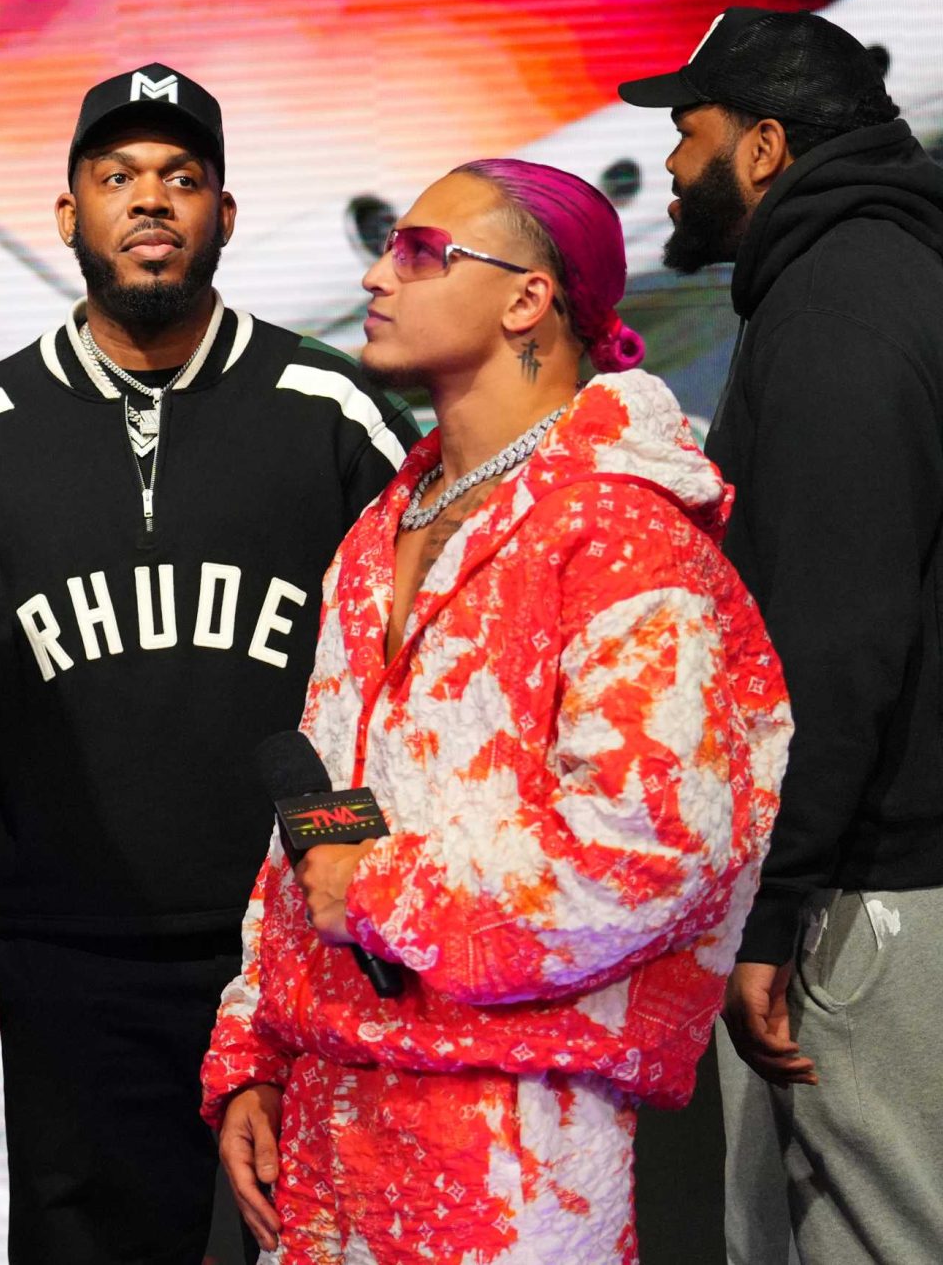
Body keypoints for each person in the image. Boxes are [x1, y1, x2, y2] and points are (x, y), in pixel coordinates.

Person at [0, 64, 416, 1263]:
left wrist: (371, 907)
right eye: (117, 177)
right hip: (75, 970)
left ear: (224, 212)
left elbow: (413, 682)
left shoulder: (330, 413)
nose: (150, 200)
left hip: (299, 955)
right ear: (70, 214)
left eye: (181, 177)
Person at [202, 159, 790, 1264]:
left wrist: (379, 890)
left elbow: (657, 846)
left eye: (422, 252)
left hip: (517, 1138)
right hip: (329, 1122)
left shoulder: (620, 528)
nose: (378, 274)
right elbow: (322, 815)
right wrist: (257, 1045)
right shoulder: (379, 532)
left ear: (528, 298)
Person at [633, 9, 943, 1264]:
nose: (669, 163)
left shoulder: (836, 308)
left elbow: (836, 637)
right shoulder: (887, 275)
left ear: (761, 148)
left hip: (873, 892)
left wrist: (772, 910)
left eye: (686, 130)